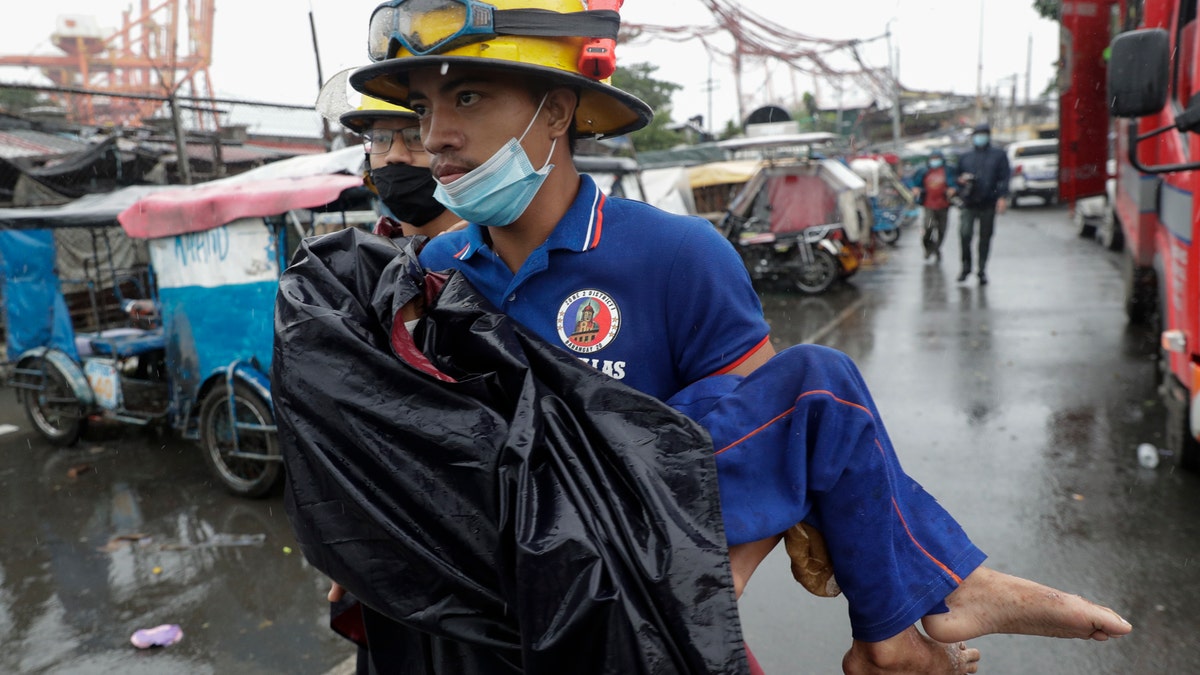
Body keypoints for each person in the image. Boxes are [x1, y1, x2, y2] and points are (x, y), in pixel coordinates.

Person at [342, 0, 1130, 670]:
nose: (436, 133)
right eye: (421, 109)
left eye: (469, 97)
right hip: (486, 614)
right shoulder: (430, 274)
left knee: (806, 391)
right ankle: (930, 604)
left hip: (638, 614)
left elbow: (755, 443)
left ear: (557, 107)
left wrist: (703, 577)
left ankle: (922, 605)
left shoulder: (680, 257)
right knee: (819, 389)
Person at [337, 93, 465, 238]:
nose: (394, 156)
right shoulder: (369, 257)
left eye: (417, 136)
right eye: (380, 138)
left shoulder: (492, 255)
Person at [954, 123, 1010, 285]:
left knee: (985, 238)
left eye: (983, 134)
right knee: (965, 235)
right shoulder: (965, 157)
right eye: (978, 134)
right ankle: (966, 267)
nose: (980, 137)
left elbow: (1004, 177)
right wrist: (960, 181)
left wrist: (1002, 197)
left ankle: (981, 270)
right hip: (968, 203)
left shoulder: (998, 155)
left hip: (988, 202)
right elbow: (956, 177)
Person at [910, 149, 956, 263]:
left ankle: (936, 249)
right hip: (929, 205)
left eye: (937, 158)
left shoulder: (948, 170)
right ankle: (928, 248)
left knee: (941, 230)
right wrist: (915, 189)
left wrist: (953, 189)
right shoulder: (924, 171)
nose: (935, 161)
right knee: (928, 227)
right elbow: (914, 182)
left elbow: (955, 183)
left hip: (943, 206)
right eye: (933, 158)